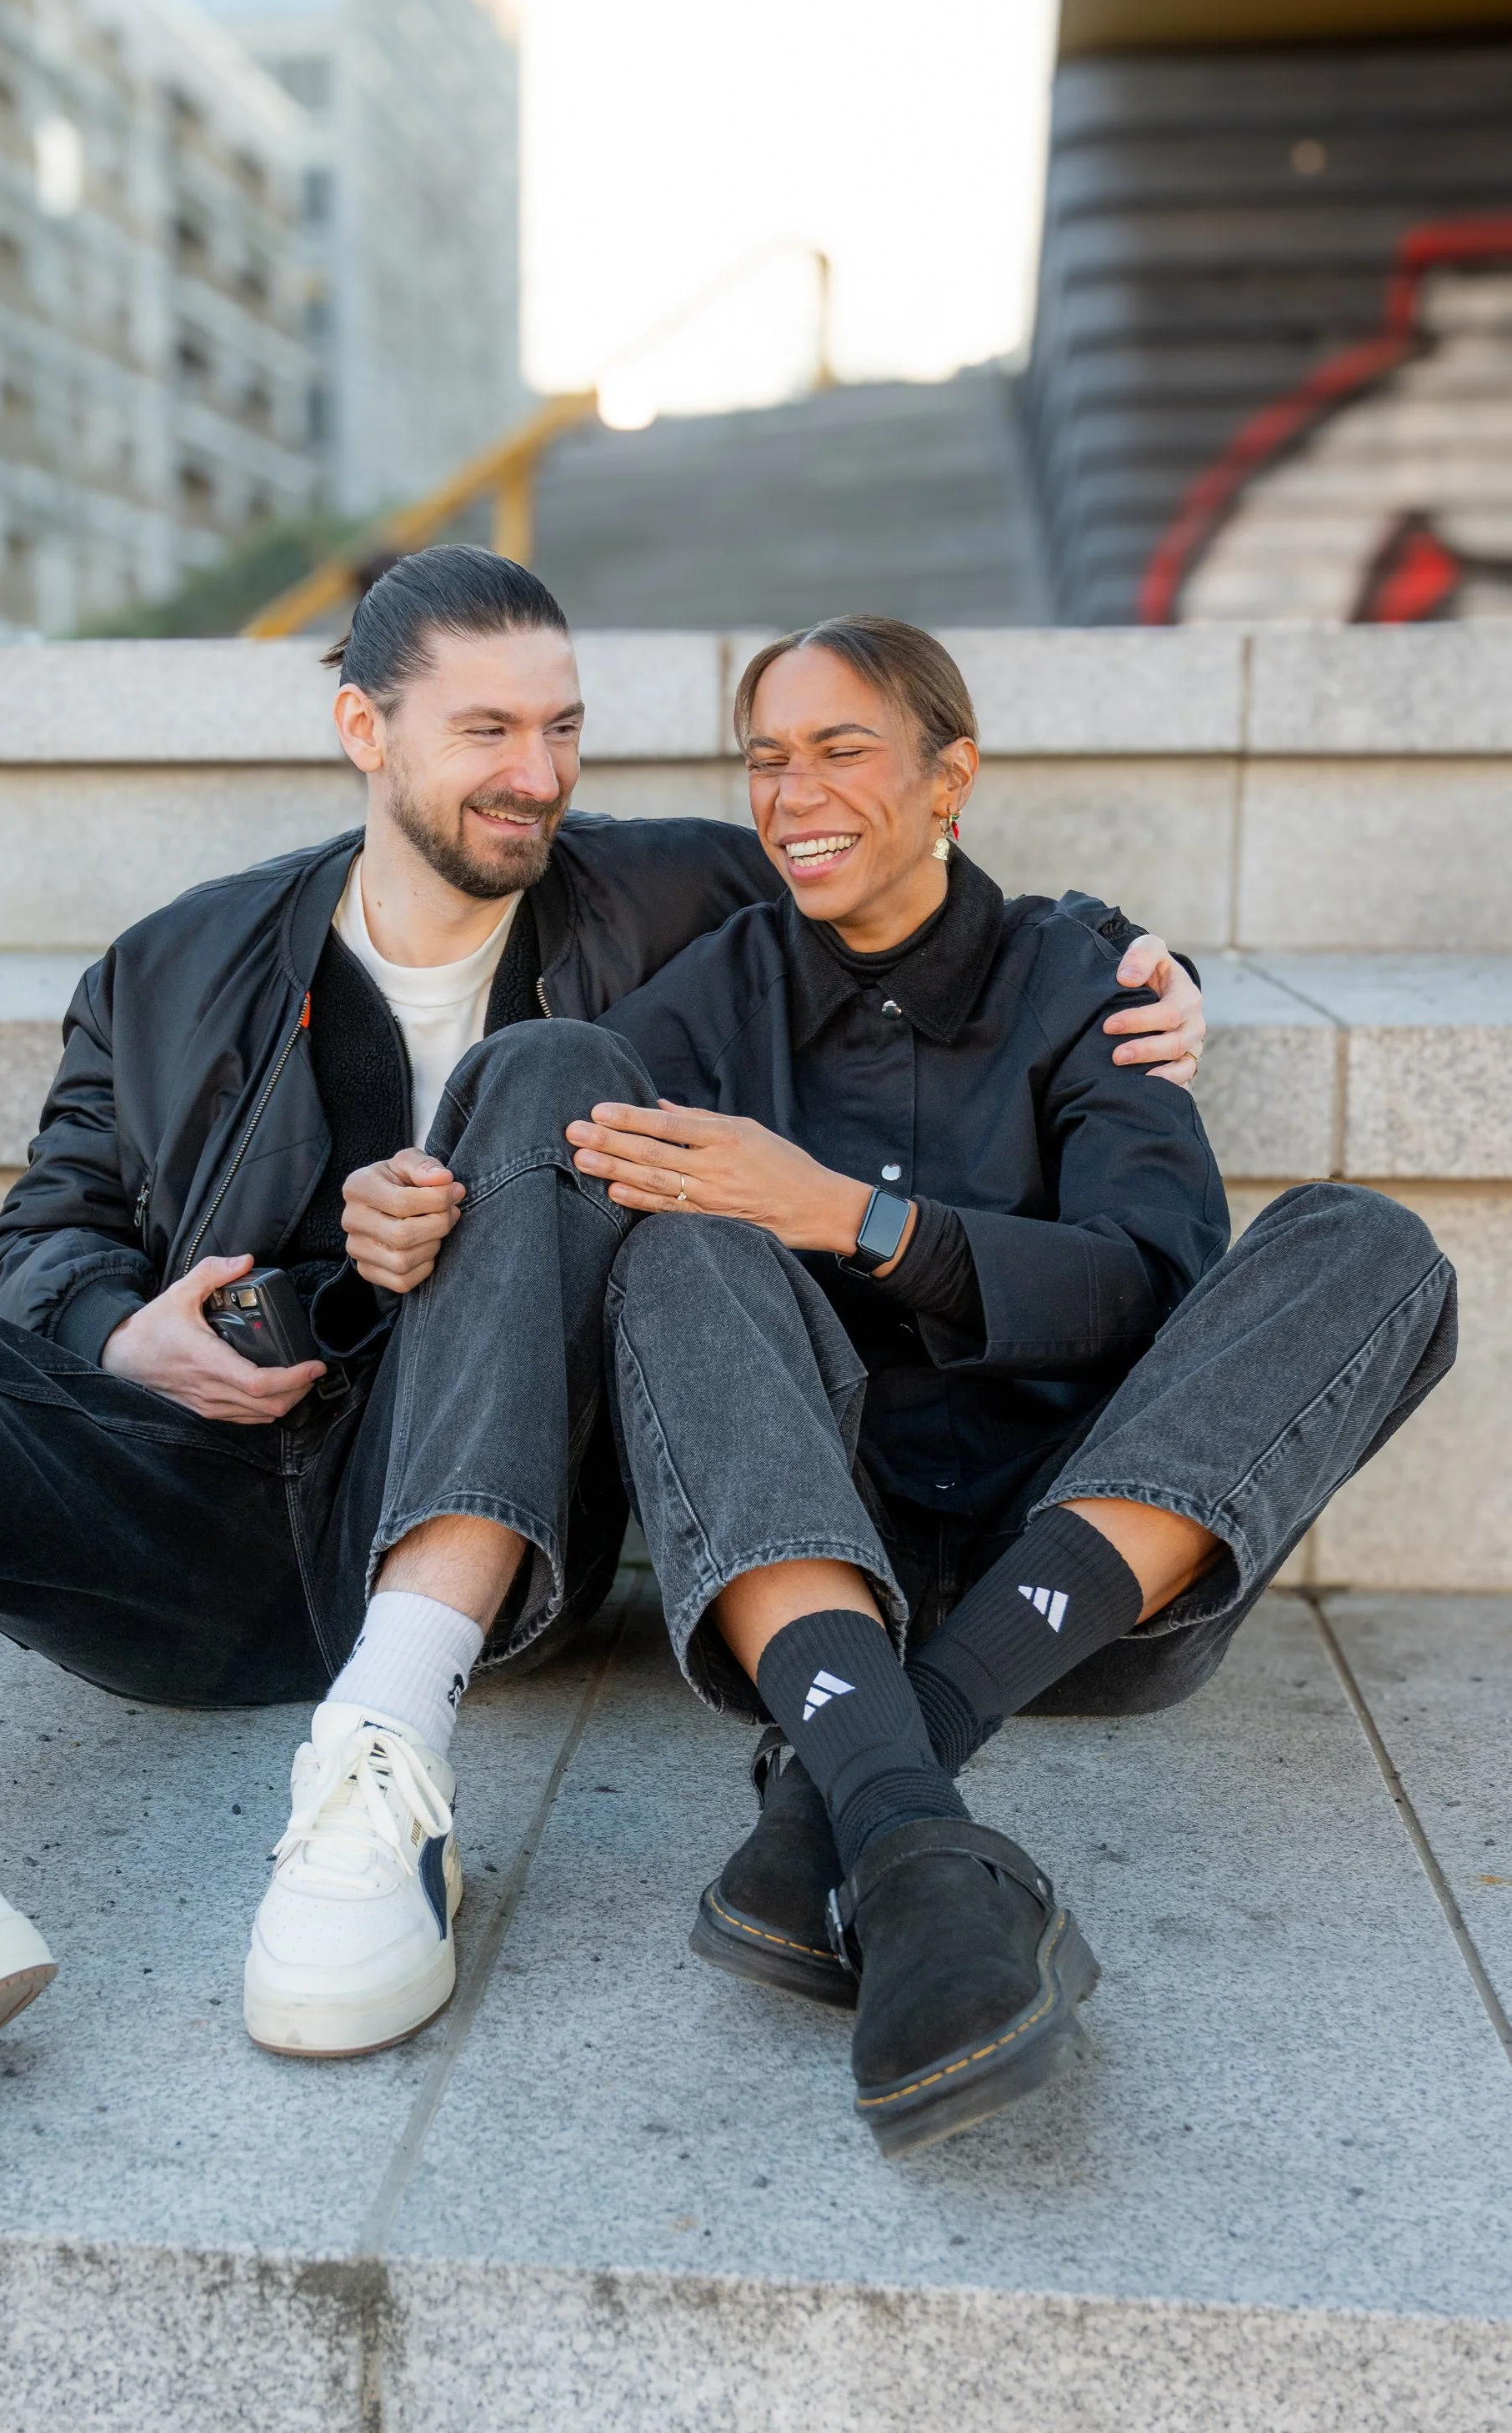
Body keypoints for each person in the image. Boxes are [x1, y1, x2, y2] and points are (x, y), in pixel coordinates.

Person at [0, 556, 1206, 2169]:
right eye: (486, 730)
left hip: (511, 1514)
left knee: (551, 1069)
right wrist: (127, 1333)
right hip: (214, 1507)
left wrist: (1139, 968)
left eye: (560, 728)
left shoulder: (678, 893)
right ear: (364, 732)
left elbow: (910, 897)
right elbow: (43, 1233)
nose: (534, 774)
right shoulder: (171, 968)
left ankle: (382, 1757)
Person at [568, 615, 1456, 2157]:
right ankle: (909, 1830)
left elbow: (1154, 1287)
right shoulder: (709, 997)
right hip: (820, 1565)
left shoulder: (1079, 973)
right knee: (674, 1256)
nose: (793, 794)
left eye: (841, 749)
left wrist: (858, 1217)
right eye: (767, 758)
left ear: (950, 772)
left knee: (1369, 1245)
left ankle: (851, 1780)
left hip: (1093, 1582)